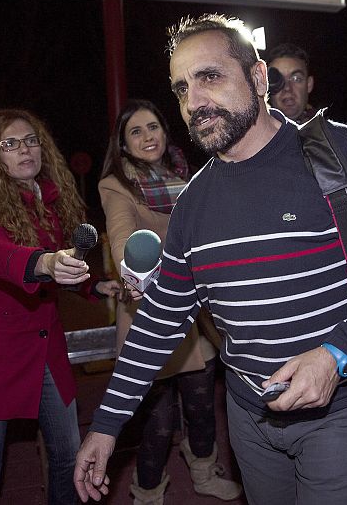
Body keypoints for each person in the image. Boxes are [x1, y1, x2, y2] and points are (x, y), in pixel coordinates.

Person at [75, 14, 347, 505]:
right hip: (249, 417)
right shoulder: (193, 204)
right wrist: (105, 425)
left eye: (210, 76)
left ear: (259, 77)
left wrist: (337, 356)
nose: (194, 102)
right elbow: (160, 320)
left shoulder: (335, 151)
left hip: (345, 411)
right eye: (182, 88)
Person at [0, 108, 113, 505]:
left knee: (69, 458)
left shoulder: (50, 201)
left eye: (30, 140)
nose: (24, 149)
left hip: (44, 348)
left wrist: (94, 285)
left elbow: (61, 265)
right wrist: (43, 262)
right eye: (10, 143)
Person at [98, 99, 242, 503]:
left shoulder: (188, 176)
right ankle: (147, 492)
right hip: (149, 311)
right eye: (136, 131)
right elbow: (122, 235)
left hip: (194, 315)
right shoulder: (117, 185)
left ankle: (204, 473)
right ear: (123, 144)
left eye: (153, 127)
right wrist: (134, 269)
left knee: (202, 408)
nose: (148, 137)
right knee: (157, 422)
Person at [267, 43, 316, 123]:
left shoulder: (328, 129)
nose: (287, 88)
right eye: (277, 79)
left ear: (309, 84)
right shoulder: (251, 130)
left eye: (296, 79)